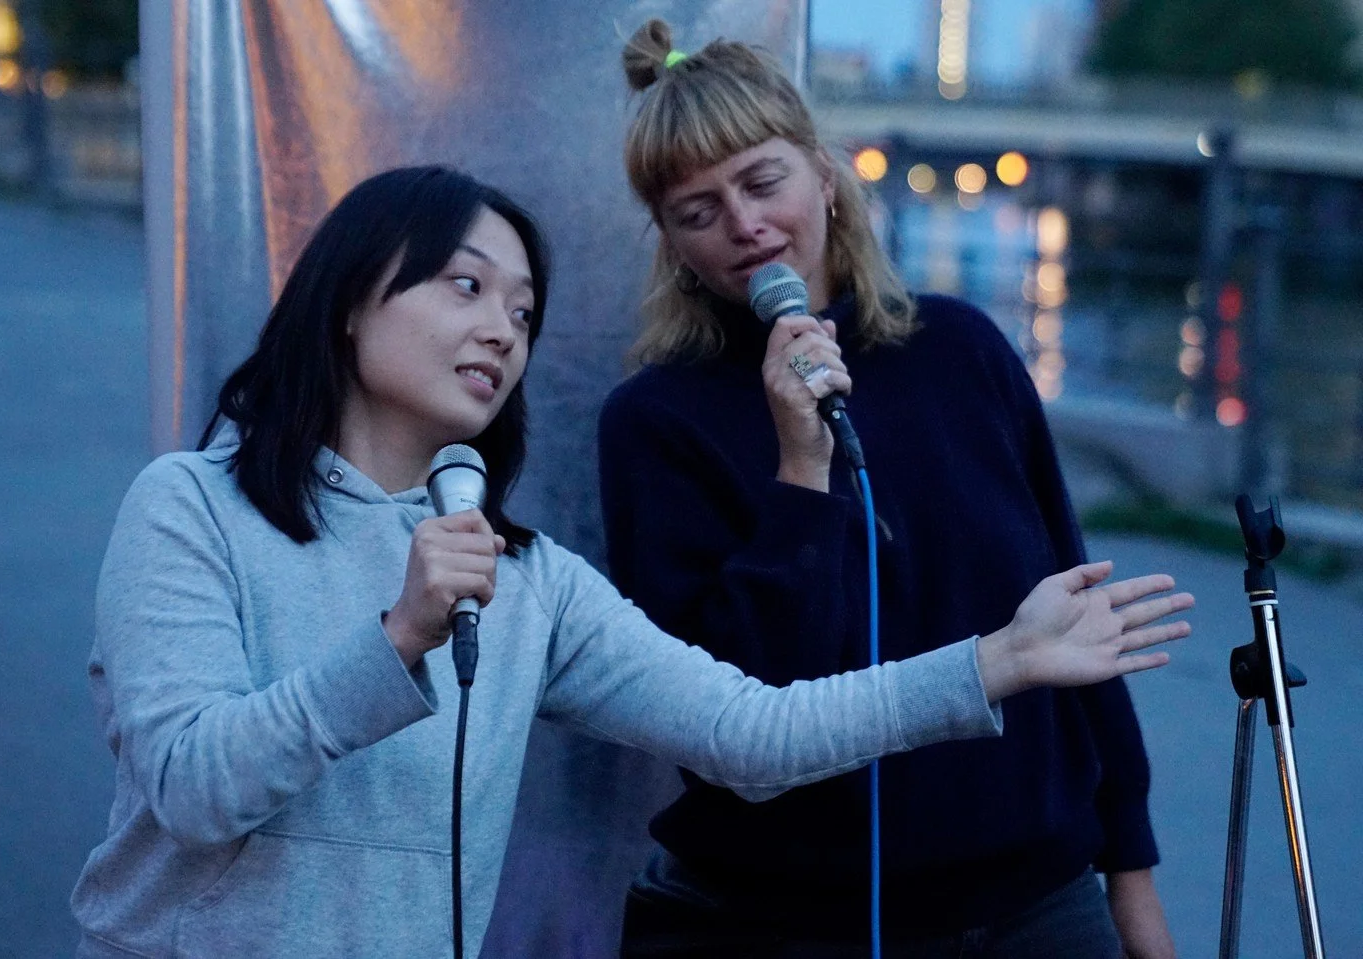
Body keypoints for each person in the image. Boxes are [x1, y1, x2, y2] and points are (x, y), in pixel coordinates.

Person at [69, 165, 1189, 959]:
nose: (505, 330)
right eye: (465, 287)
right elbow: (193, 785)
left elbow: (755, 731)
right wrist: (396, 639)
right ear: (352, 298)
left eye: (523, 310)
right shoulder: (192, 507)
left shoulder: (532, 578)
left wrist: (995, 659)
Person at [600, 20, 1182, 959]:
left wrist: (1133, 876)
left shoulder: (962, 351)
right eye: (696, 210)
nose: (744, 224)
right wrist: (800, 467)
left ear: (823, 176)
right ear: (671, 245)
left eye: (760, 181)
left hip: (1040, 898)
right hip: (794, 921)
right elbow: (733, 713)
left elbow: (1073, 616)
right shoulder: (655, 423)